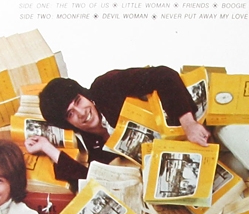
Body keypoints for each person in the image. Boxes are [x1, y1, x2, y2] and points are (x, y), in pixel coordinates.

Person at [24, 66, 211, 186]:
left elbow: (163, 75)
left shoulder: (106, 88)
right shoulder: (93, 145)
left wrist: (189, 124)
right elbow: (92, 181)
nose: (81, 113)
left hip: (192, 129)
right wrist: (47, 147)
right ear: (68, 123)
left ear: (85, 95)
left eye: (78, 101)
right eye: (70, 114)